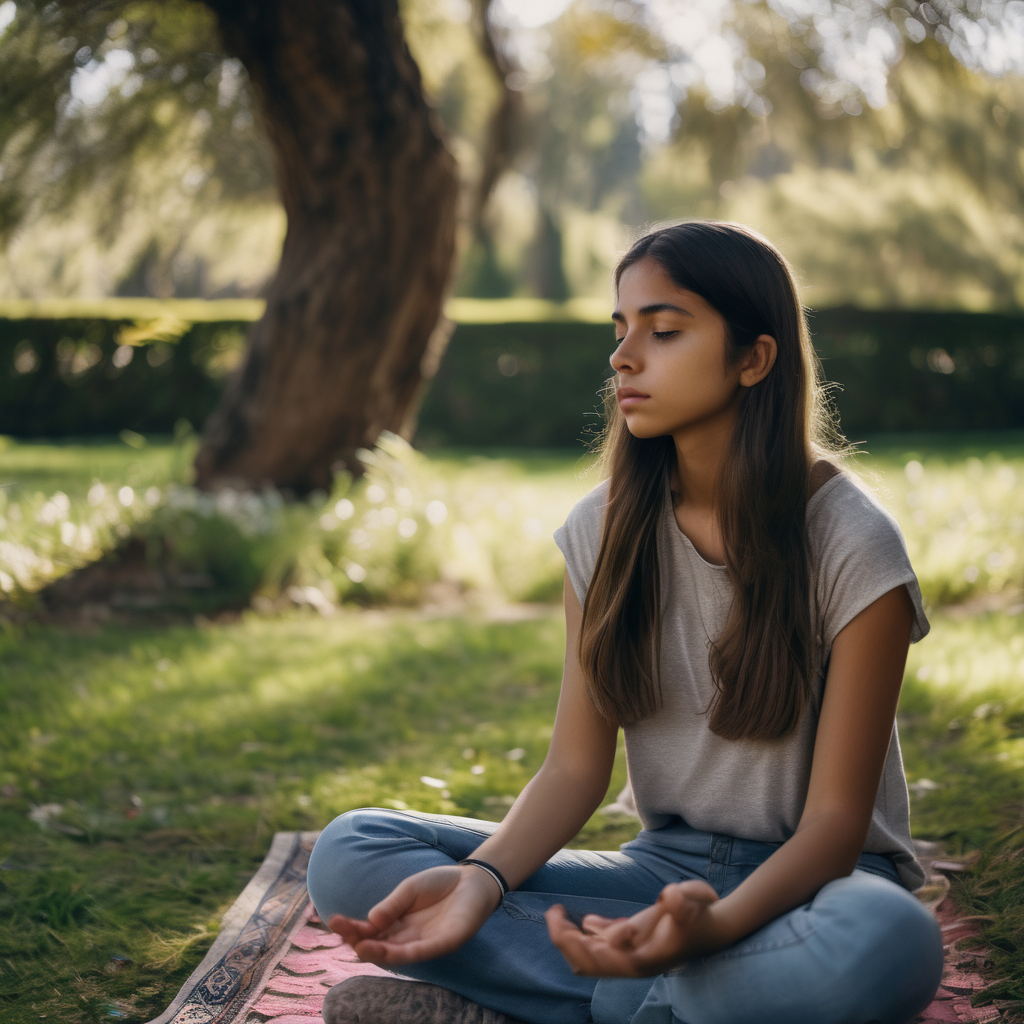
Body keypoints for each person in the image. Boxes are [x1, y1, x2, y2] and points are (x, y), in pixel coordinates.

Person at [306, 221, 944, 1024]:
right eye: (621, 329)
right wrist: (483, 882)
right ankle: (674, 1003)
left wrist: (711, 930)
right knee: (352, 850)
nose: (623, 356)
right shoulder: (602, 530)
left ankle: (572, 1001)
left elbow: (835, 828)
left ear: (755, 358)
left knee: (892, 941)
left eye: (663, 330)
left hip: (817, 888)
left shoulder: (853, 542)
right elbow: (576, 770)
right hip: (658, 872)